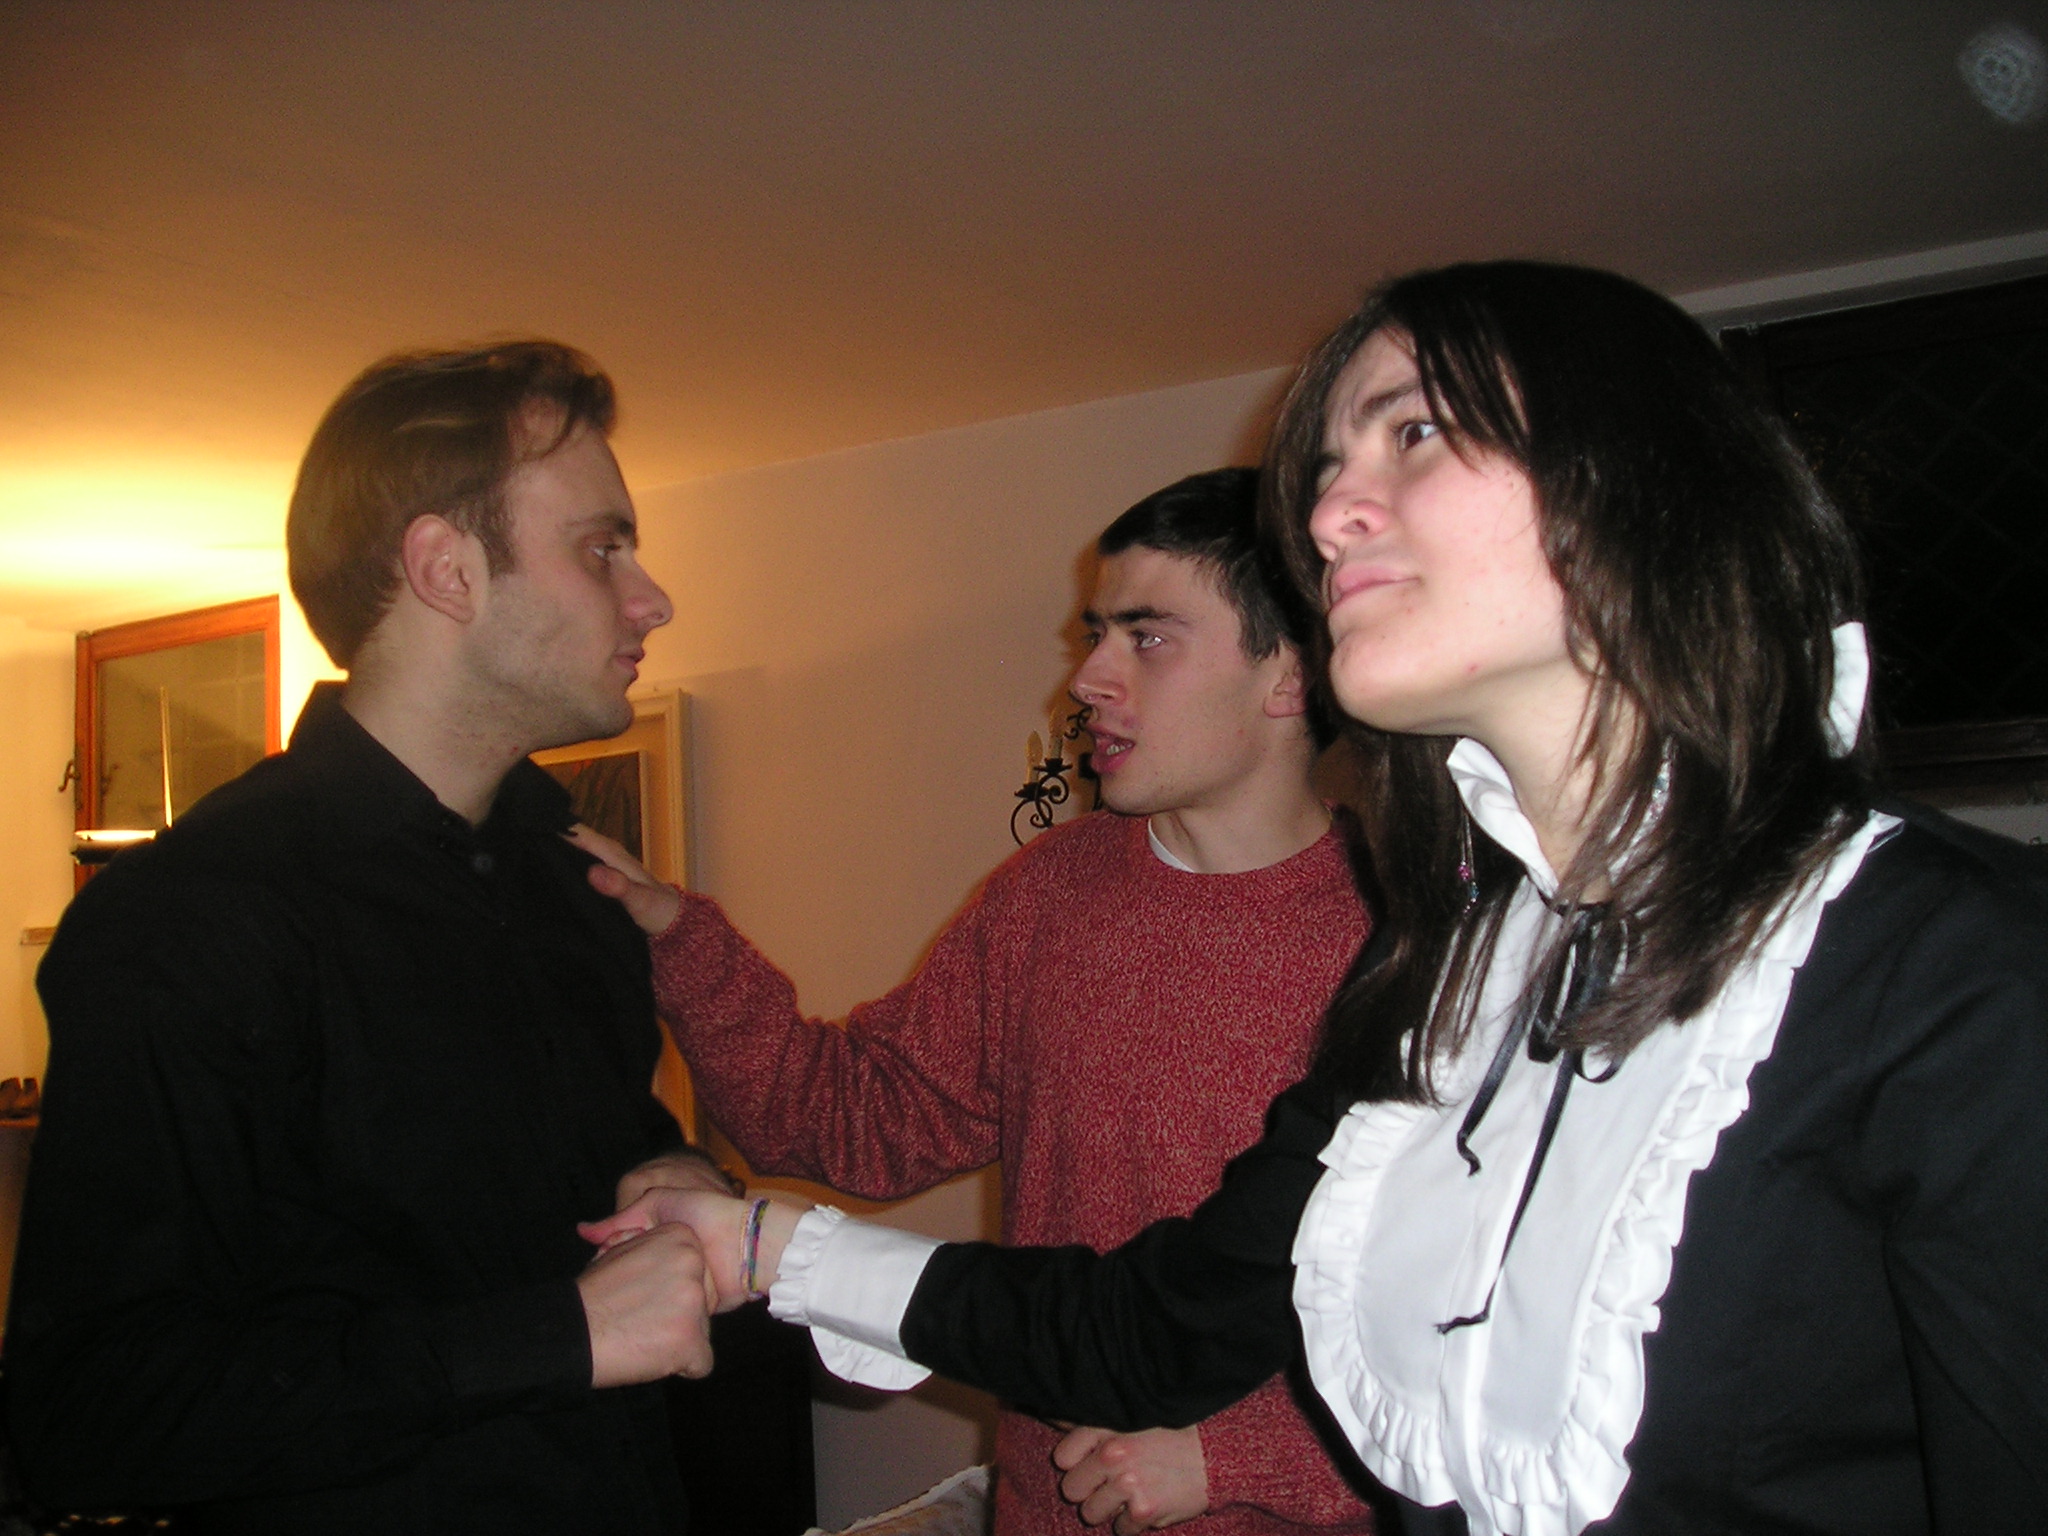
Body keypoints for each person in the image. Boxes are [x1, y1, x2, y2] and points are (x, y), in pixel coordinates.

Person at [593, 263, 2048, 1536]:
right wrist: (763, 1244)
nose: (1331, 512)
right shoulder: (1447, 979)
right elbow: (1150, 1325)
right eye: (1328, 465)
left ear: (1640, 480)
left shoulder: (1961, 968)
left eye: (1410, 431)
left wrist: (1229, 1463)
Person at [5, 341, 734, 1533]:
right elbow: (91, 1416)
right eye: (602, 548)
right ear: (446, 569)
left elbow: (601, 1155)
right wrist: (557, 1335)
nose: (651, 599)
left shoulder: (573, 890)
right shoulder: (190, 918)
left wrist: (681, 1177)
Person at [577, 469, 1378, 1535]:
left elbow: (1486, 1335)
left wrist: (1240, 1456)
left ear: (1289, 675)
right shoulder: (1050, 894)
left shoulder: (1404, 943)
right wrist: (678, 938)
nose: (1086, 678)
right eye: (1095, 634)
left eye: (1147, 638)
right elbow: (850, 1118)